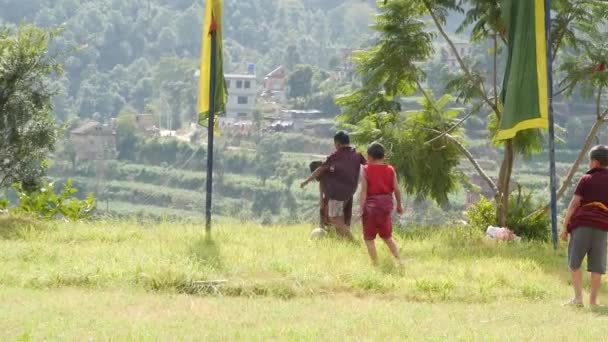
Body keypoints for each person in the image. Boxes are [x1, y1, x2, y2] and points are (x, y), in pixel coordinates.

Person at [560, 145, 608, 307]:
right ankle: (593, 302)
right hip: (602, 227)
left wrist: (565, 226)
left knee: (574, 262)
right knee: (597, 266)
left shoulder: (586, 179)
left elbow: (574, 204)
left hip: (582, 225)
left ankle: (578, 298)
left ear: (594, 162)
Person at [301, 131, 365, 240]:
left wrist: (306, 181)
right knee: (340, 219)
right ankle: (344, 241)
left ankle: (353, 242)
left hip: (337, 193)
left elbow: (319, 170)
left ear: (337, 144)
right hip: (350, 192)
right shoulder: (357, 155)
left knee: (334, 219)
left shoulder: (335, 156)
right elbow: (368, 166)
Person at [358, 142, 403, 264]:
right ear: (384, 156)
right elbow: (397, 189)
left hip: (370, 208)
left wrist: (361, 209)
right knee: (387, 237)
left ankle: (376, 264)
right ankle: (400, 262)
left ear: (369, 157)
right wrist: (399, 204)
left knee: (369, 239)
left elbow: (363, 191)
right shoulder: (390, 169)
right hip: (385, 207)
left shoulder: (365, 169)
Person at [308, 161, 353, 230]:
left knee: (339, 218)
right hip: (336, 195)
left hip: (342, 195)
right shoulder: (323, 174)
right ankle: (323, 229)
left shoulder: (332, 171)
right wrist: (321, 199)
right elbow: (321, 183)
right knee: (324, 209)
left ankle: (346, 234)